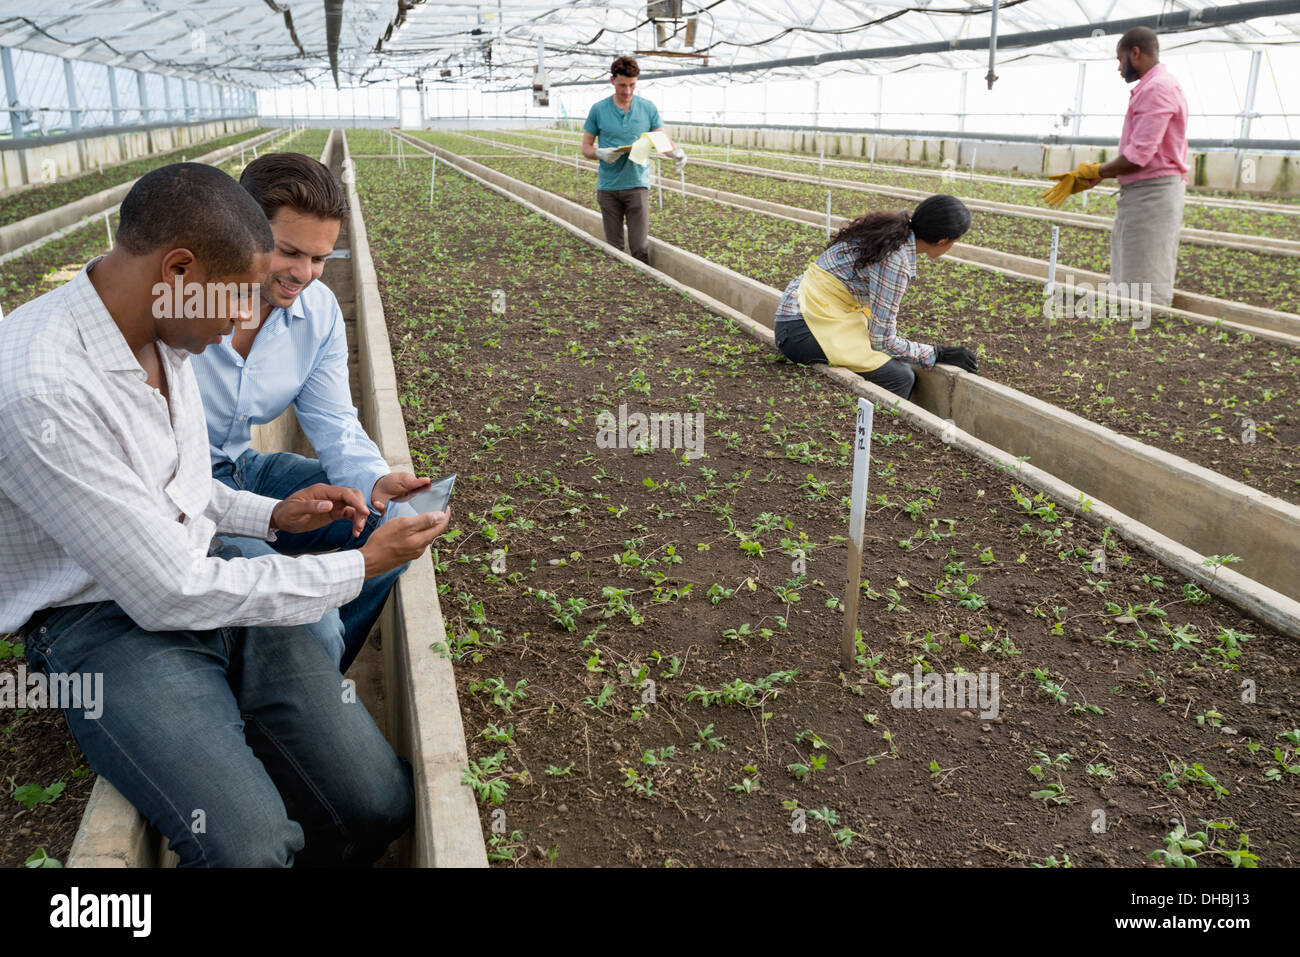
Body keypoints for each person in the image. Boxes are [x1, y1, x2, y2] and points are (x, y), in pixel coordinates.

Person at [0, 162, 448, 866]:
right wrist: (357, 564)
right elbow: (168, 588)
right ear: (179, 268)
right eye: (241, 293)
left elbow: (183, 486)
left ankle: (267, 760)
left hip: (208, 567)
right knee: (249, 847)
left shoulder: (161, 325)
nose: (249, 317)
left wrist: (273, 519)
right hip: (104, 622)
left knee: (378, 802)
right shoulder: (41, 389)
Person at [191, 151, 429, 673]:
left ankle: (318, 681)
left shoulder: (316, 311)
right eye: (288, 252)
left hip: (245, 468)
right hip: (186, 490)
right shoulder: (181, 308)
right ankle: (295, 675)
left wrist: (375, 482)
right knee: (288, 605)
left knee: (389, 527)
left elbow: (334, 420)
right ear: (240, 231)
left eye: (320, 258)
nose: (304, 274)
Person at [773, 194, 979, 400]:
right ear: (943, 240)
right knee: (901, 377)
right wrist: (937, 353)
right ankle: (877, 427)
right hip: (802, 329)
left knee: (886, 354)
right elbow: (882, 340)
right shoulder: (896, 260)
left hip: (800, 310)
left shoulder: (887, 231)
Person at [1042, 26, 1188, 307]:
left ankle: (1143, 336)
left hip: (1153, 195)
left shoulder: (1158, 89)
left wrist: (1095, 171)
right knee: (1130, 271)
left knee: (1145, 281)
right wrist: (1097, 174)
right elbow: (1138, 152)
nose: (1119, 67)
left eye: (1120, 59)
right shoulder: (1152, 87)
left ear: (1136, 53)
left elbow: (1138, 157)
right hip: (1142, 192)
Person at [581, 55, 686, 263]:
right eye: (622, 85)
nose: (627, 91)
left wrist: (676, 152)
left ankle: (642, 288)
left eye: (632, 85)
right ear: (612, 81)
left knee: (639, 248)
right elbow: (586, 147)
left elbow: (661, 139)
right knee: (615, 248)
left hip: (637, 185)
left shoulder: (647, 108)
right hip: (608, 187)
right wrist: (599, 153)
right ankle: (618, 289)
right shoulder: (598, 109)